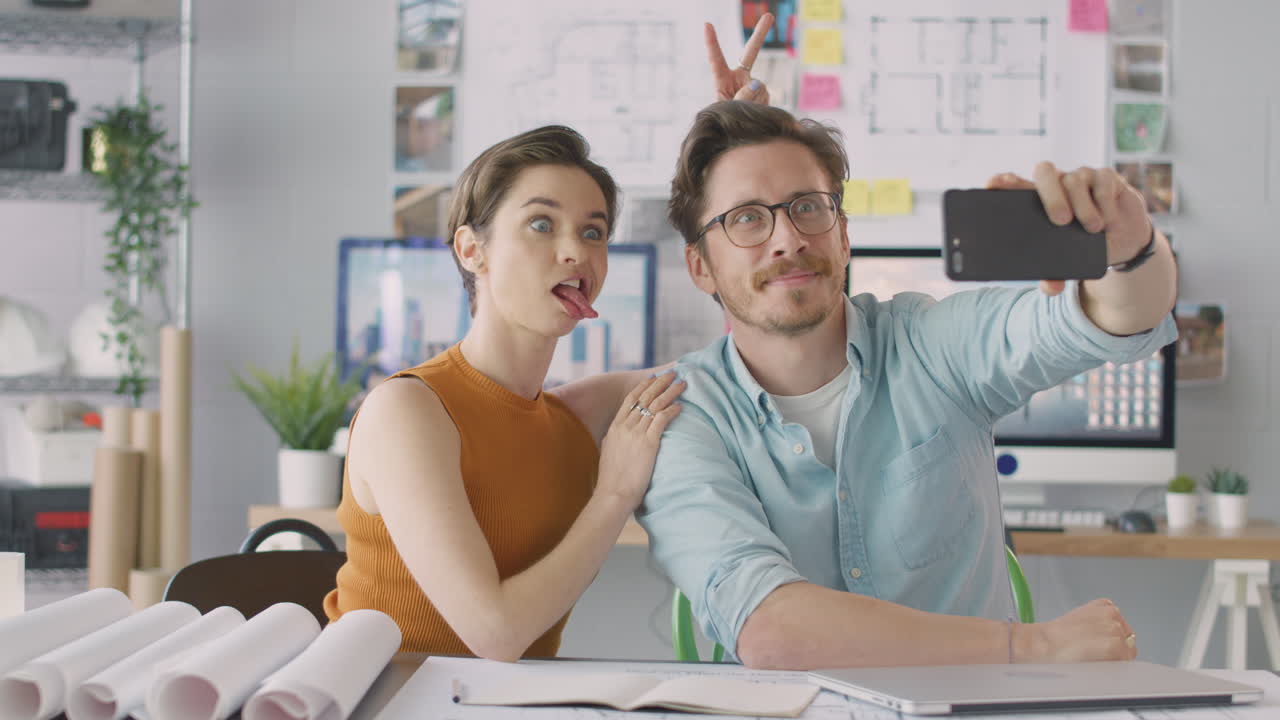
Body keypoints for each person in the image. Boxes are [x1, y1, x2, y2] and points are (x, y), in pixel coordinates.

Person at [635, 23, 1179, 670]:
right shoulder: (683, 416)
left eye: (807, 207)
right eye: (747, 218)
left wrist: (1130, 247)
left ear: (843, 235)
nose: (786, 239)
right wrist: (1030, 647)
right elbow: (773, 630)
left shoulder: (931, 343)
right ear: (700, 267)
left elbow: (1106, 320)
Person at [323, 125, 685, 661]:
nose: (575, 252)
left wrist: (744, 142)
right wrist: (615, 494)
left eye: (594, 232)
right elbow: (496, 633)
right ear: (472, 250)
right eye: (542, 224)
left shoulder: (574, 416)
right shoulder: (406, 410)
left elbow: (740, 369)